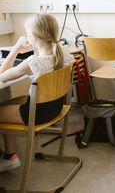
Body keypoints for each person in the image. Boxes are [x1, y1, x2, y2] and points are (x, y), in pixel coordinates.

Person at [0, 14, 74, 172]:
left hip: (37, 114)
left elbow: (1, 75)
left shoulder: (33, 62)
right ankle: (9, 156)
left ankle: (9, 156)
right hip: (56, 108)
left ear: (33, 36)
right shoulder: (64, 54)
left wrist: (17, 47)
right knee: (6, 103)